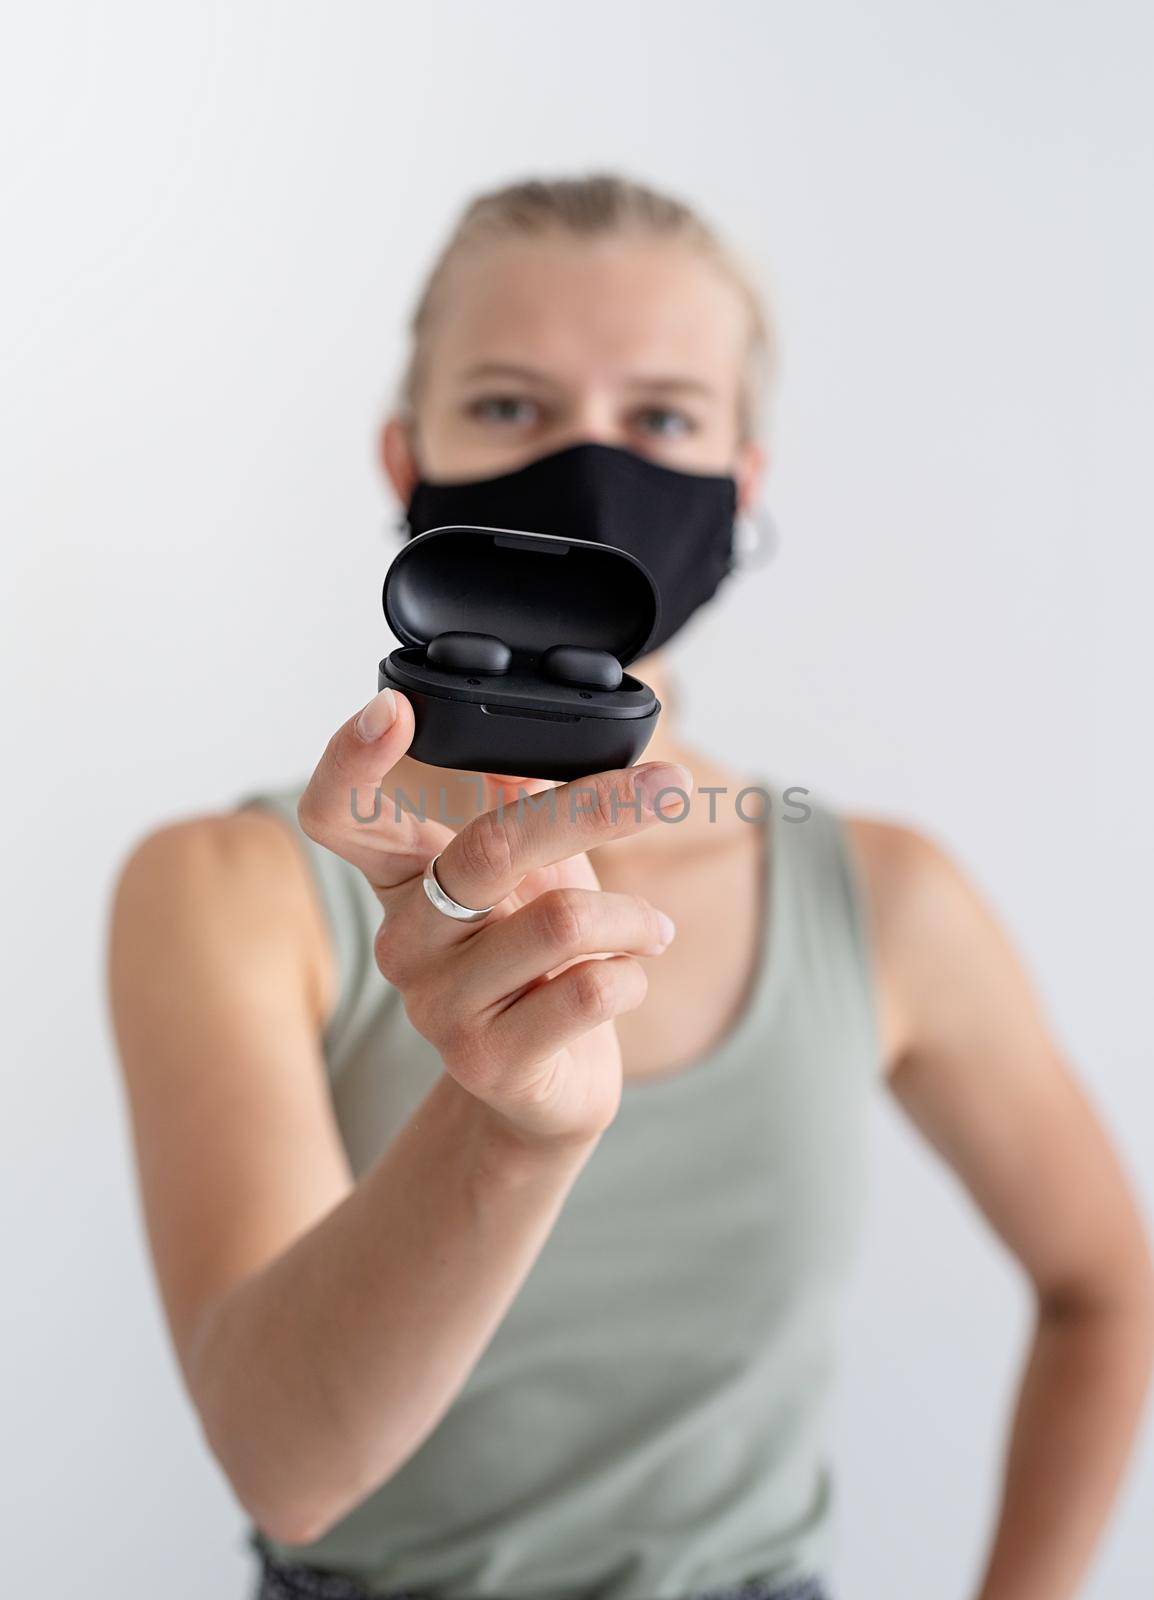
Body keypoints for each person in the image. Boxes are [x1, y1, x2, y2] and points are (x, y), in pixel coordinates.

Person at [106, 173, 1154, 1600]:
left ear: (743, 481)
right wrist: (509, 1136)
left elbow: (1107, 1289)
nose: (589, 471)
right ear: (405, 455)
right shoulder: (228, 890)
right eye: (510, 408)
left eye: (660, 418)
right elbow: (285, 1465)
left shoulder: (882, 900)